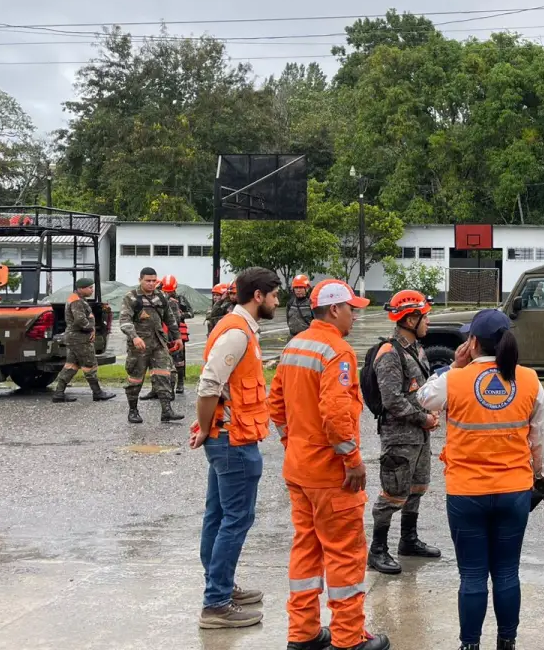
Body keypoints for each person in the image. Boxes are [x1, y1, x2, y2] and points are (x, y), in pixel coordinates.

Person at [416, 309, 544, 650]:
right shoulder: (528, 380)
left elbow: (423, 398)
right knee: (508, 573)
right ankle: (507, 641)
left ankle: (470, 644)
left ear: (473, 343)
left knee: (473, 576)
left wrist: (454, 366)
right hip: (513, 493)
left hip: (467, 494)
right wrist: (543, 480)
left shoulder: (456, 380)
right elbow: (542, 438)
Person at [269, 280, 390, 650]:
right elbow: (336, 413)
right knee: (345, 554)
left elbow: (277, 405)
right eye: (351, 308)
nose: (354, 315)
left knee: (306, 549)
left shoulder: (296, 345)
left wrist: (295, 444)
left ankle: (303, 634)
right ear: (334, 310)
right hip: (330, 475)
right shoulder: (336, 351)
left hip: (299, 470)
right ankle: (349, 639)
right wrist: (352, 459)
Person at [189, 266, 281, 630]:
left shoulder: (239, 328)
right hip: (232, 440)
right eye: (274, 294)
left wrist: (209, 430)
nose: (277, 301)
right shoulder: (237, 333)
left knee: (218, 516)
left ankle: (220, 587)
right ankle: (216, 603)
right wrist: (208, 428)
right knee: (235, 519)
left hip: (228, 437)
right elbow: (209, 386)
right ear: (257, 296)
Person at [367, 290, 441, 575]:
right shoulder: (390, 353)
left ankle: (408, 540)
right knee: (392, 494)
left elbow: (418, 390)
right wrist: (423, 418)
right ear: (410, 319)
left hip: (419, 435)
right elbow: (392, 400)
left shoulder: (416, 349)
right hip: (400, 436)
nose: (428, 323)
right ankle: (377, 550)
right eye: (425, 317)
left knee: (417, 488)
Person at [120, 267, 183, 424]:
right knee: (135, 379)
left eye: (154, 281)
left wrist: (177, 337)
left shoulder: (161, 296)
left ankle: (166, 410)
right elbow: (124, 320)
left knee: (164, 374)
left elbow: (170, 318)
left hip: (158, 343)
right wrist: (134, 337)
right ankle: (133, 411)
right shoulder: (131, 298)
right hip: (139, 346)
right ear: (140, 280)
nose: (151, 284)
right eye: (148, 281)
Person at [51, 278, 117, 403]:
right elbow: (80, 320)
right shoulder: (77, 301)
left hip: (74, 337)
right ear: (81, 289)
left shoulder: (77, 299)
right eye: (90, 288)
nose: (92, 290)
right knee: (90, 365)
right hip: (79, 338)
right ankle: (97, 393)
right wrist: (91, 329)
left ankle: (59, 394)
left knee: (71, 365)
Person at [145, 274, 193, 398]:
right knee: (157, 362)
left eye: (170, 291)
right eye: (166, 291)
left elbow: (189, 313)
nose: (168, 293)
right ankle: (156, 388)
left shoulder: (179, 300)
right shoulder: (155, 299)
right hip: (160, 334)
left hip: (174, 333)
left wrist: (181, 314)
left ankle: (179, 384)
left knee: (178, 361)